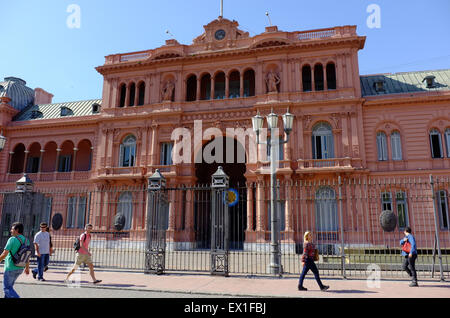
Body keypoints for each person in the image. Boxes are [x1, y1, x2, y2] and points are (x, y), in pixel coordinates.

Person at [0, 222, 31, 298]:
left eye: (12, 229)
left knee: (7, 288)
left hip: (10, 267)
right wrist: (27, 268)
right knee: (9, 289)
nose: (10, 230)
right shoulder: (26, 241)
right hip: (20, 268)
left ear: (16, 230)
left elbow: (4, 253)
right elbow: (27, 256)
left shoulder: (12, 239)